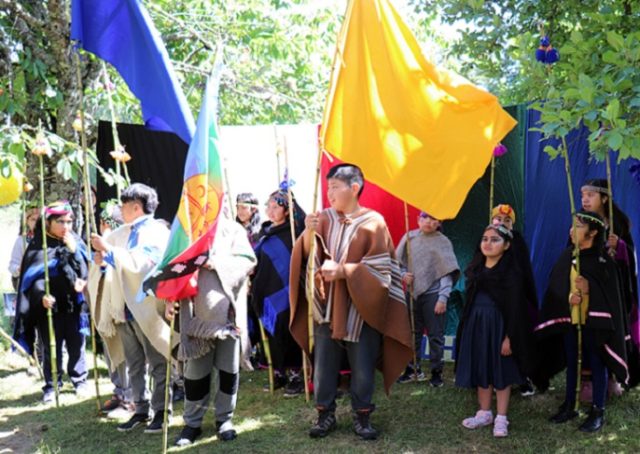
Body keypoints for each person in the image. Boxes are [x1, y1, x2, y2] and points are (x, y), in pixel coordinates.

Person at [289, 163, 412, 440]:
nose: (329, 193)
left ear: (354, 188)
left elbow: (381, 272)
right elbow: (308, 257)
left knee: (363, 366)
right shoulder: (322, 218)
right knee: (323, 366)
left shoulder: (374, 222)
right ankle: (324, 415)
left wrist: (344, 271)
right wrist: (308, 234)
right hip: (327, 307)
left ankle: (362, 416)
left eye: (335, 187)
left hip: (361, 310)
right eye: (328, 187)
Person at [90, 183, 174, 434]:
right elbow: (109, 263)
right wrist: (101, 260)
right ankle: (141, 408)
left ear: (135, 207)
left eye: (124, 205)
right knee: (134, 363)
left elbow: (145, 263)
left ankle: (162, 410)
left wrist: (109, 251)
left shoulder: (157, 231)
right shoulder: (121, 233)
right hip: (122, 308)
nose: (120, 210)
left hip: (147, 305)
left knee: (158, 359)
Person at [536, 211, 629, 432]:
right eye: (572, 225)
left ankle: (598, 410)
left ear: (593, 232)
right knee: (572, 361)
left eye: (578, 226)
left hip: (595, 324)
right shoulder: (569, 255)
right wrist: (570, 297)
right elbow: (557, 287)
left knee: (597, 363)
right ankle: (570, 404)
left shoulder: (603, 261)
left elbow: (611, 296)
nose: (571, 230)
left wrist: (590, 290)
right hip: (572, 321)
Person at [169, 216, 256, 446]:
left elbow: (248, 260)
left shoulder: (233, 230)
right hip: (195, 315)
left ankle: (224, 419)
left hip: (228, 314)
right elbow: (171, 267)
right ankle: (192, 423)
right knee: (195, 371)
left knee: (229, 370)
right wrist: (170, 297)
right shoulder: (186, 229)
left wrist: (215, 262)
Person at [455, 224, 536, 438]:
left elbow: (516, 309)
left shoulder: (511, 275)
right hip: (477, 324)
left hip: (500, 326)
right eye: (485, 239)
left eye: (495, 240)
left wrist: (510, 337)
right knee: (482, 365)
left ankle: (501, 417)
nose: (488, 243)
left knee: (501, 369)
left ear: (507, 245)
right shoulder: (475, 269)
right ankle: (484, 413)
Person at [13, 201, 90, 403]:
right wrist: (41, 296)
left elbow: (84, 273)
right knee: (51, 347)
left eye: (69, 221)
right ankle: (52, 384)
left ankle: (80, 380)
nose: (66, 226)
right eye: (60, 221)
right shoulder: (38, 246)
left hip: (74, 304)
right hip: (49, 308)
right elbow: (30, 280)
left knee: (77, 344)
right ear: (48, 223)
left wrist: (73, 251)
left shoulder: (75, 242)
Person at [581, 179, 639, 388]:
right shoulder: (582, 221)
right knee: (593, 331)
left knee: (613, 329)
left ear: (604, 198)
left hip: (614, 290)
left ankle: (615, 376)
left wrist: (619, 247)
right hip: (592, 288)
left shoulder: (619, 225)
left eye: (590, 195)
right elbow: (574, 250)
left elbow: (631, 258)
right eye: (582, 195)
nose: (585, 199)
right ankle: (590, 380)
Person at [251, 186, 305, 397]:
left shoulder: (294, 233)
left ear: (287, 210)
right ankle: (279, 372)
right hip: (266, 291)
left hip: (287, 290)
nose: (271, 211)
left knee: (288, 328)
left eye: (276, 207)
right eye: (268, 206)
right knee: (271, 331)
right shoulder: (264, 233)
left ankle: (296, 374)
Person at [396, 211, 459, 387]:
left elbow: (446, 272)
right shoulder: (409, 238)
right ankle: (413, 369)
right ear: (418, 219)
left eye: (434, 219)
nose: (429, 222)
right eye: (425, 217)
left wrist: (443, 298)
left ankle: (436, 372)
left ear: (439, 223)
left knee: (435, 335)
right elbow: (398, 263)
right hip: (412, 293)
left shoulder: (443, 242)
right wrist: (403, 275)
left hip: (434, 294)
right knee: (412, 333)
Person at [87, 200, 134, 418]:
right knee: (112, 351)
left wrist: (110, 261)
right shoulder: (99, 251)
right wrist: (101, 266)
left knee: (129, 354)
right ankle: (120, 393)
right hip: (107, 312)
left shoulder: (125, 245)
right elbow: (94, 280)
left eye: (105, 225)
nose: (102, 229)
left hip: (124, 309)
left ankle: (131, 398)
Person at [491, 204, 539, 396]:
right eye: (499, 219)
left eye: (507, 221)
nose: (502, 223)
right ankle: (496, 378)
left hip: (515, 297)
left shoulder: (517, 241)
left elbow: (523, 271)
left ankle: (523, 378)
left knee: (516, 338)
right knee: (495, 338)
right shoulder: (487, 238)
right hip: (494, 299)